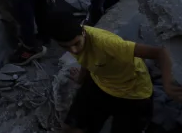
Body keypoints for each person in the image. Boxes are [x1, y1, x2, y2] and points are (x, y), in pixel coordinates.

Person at [50, 11, 182, 133]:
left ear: (83, 31)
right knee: (71, 127)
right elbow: (87, 59)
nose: (73, 50)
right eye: (66, 47)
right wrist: (80, 78)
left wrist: (168, 84)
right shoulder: (75, 43)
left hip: (132, 93)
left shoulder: (108, 44)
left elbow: (160, 52)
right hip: (101, 82)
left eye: (76, 44)